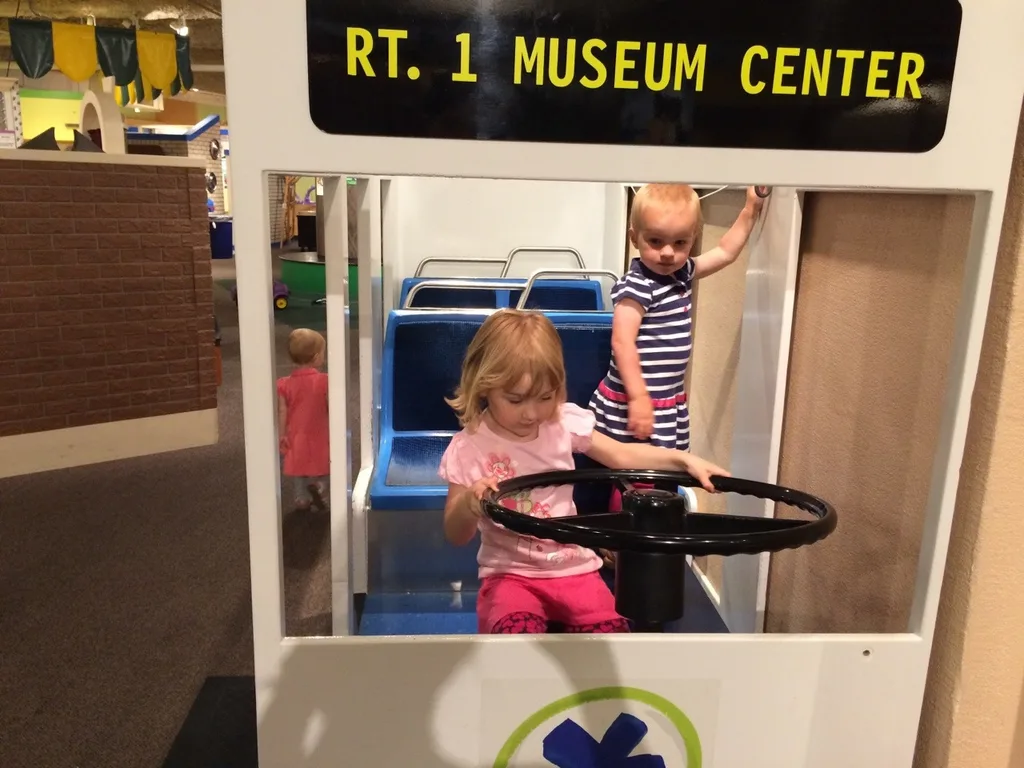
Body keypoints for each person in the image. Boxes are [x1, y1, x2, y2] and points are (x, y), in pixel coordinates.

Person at [437, 310, 728, 635]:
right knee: (513, 642)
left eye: (545, 397)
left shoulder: (562, 423)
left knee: (614, 639)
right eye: (515, 399)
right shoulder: (470, 447)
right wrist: (469, 506)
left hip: (573, 568)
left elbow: (622, 454)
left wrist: (682, 460)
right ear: (484, 385)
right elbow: (455, 534)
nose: (532, 413)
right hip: (509, 575)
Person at [585, 185, 764, 523]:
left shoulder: (682, 273)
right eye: (656, 242)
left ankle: (643, 534)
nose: (668, 253)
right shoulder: (637, 286)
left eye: (680, 243)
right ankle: (621, 539)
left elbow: (725, 252)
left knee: (658, 477)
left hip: (666, 403)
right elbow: (622, 341)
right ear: (634, 237)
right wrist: (639, 398)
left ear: (693, 239)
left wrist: (749, 211)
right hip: (634, 401)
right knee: (634, 475)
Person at [277, 328, 330, 512]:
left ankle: (301, 498)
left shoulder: (284, 383)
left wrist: (282, 434)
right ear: (316, 357)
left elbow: (283, 410)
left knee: (299, 466)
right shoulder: (324, 381)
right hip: (319, 430)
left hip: (296, 432)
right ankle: (320, 487)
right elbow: (330, 405)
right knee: (322, 463)